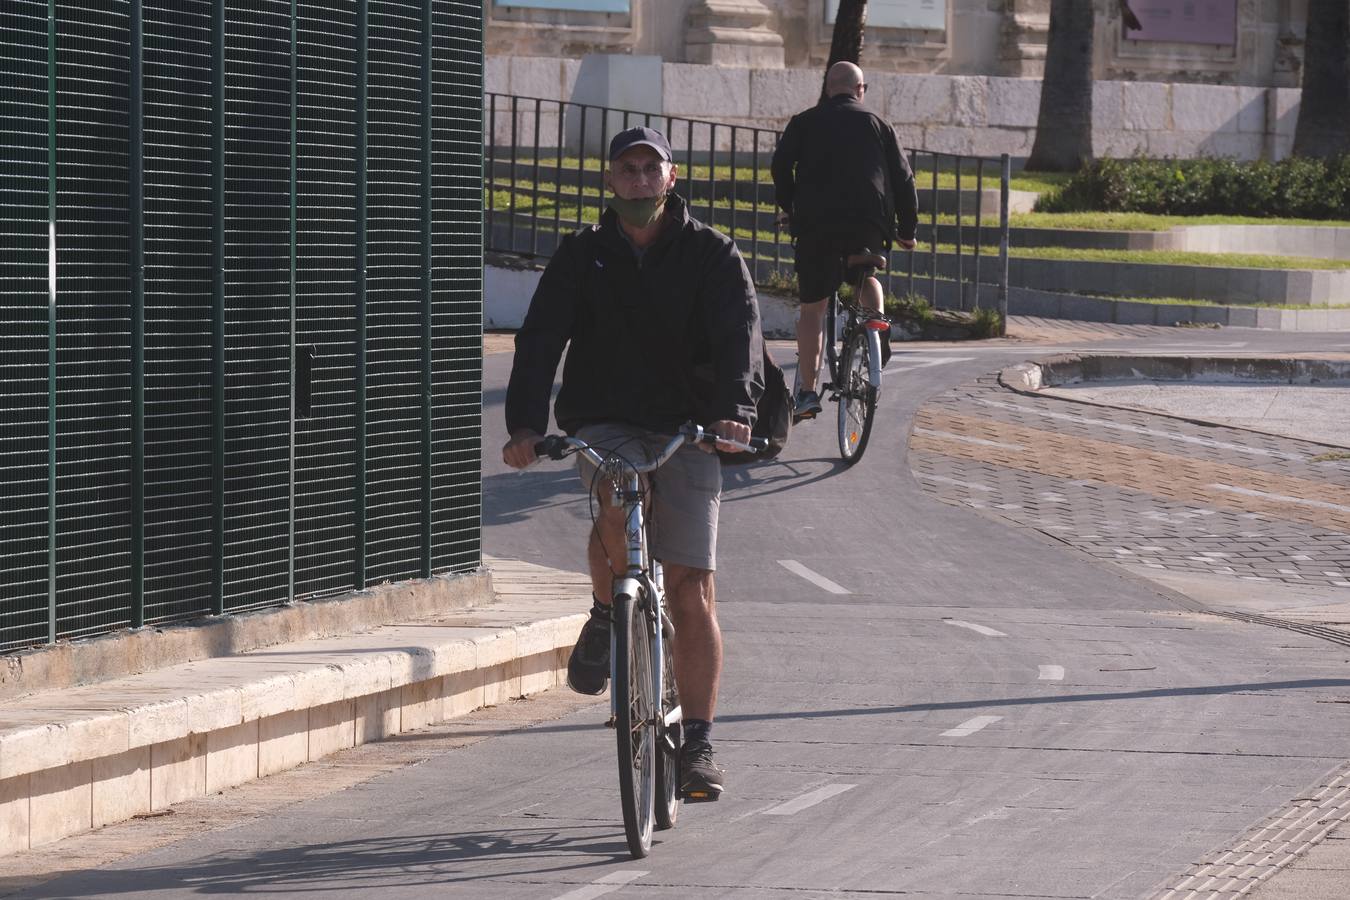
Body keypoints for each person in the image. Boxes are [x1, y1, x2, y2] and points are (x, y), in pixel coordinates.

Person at [501, 125, 765, 802]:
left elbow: (741, 334)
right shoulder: (582, 255)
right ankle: (605, 609)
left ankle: (700, 741)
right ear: (609, 181)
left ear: (672, 179)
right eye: (628, 169)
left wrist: (734, 412)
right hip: (606, 420)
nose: (641, 180)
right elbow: (538, 339)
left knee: (690, 586)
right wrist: (526, 425)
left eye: (653, 169)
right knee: (617, 505)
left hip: (692, 426)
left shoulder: (711, 254)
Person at [771, 61, 920, 422]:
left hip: (816, 227)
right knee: (868, 275)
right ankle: (877, 328)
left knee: (813, 309)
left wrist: (791, 206)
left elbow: (780, 167)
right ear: (860, 90)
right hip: (868, 224)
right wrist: (906, 229)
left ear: (828, 89)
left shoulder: (804, 122)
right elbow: (903, 178)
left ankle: (807, 393)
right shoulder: (879, 124)